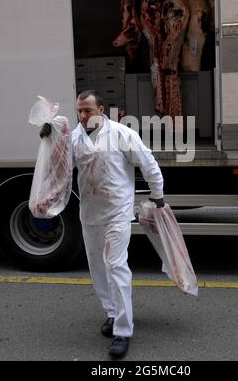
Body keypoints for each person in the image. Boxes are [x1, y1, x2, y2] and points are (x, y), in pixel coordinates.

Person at [39, 90, 164, 359]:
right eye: (79, 112)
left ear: (101, 110)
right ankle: (111, 312)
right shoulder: (74, 139)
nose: (83, 116)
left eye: (88, 111)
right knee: (97, 267)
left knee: (116, 266)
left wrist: (158, 196)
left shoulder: (121, 134)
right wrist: (51, 140)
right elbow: (59, 168)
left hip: (118, 212)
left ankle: (123, 330)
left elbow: (148, 163)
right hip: (90, 213)